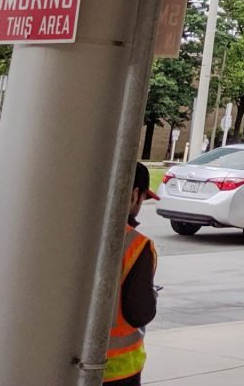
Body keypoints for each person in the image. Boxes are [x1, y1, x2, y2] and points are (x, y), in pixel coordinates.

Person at [105, 163, 159, 383]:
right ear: (135, 194)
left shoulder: (66, 232)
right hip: (118, 371)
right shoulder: (137, 245)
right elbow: (139, 313)